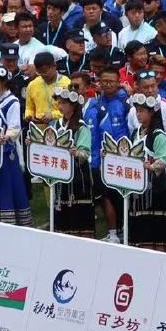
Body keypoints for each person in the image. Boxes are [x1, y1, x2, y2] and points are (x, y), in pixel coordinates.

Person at [0, 62, 31, 225]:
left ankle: (10, 218)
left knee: (7, 183)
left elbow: (15, 127)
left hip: (6, 149)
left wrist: (6, 136)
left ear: (3, 81)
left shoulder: (13, 102)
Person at [128, 93, 166, 250]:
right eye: (137, 111)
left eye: (142, 111)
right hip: (138, 185)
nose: (138, 114)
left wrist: (150, 167)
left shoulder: (158, 135)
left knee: (154, 222)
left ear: (151, 113)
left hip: (155, 187)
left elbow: (162, 161)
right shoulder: (135, 133)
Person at [52, 86, 97, 236]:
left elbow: (85, 152)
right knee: (63, 221)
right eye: (59, 102)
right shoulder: (55, 124)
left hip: (78, 177)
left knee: (81, 220)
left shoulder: (81, 127)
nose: (60, 106)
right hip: (60, 175)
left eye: (63, 103)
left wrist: (76, 152)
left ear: (73, 106)